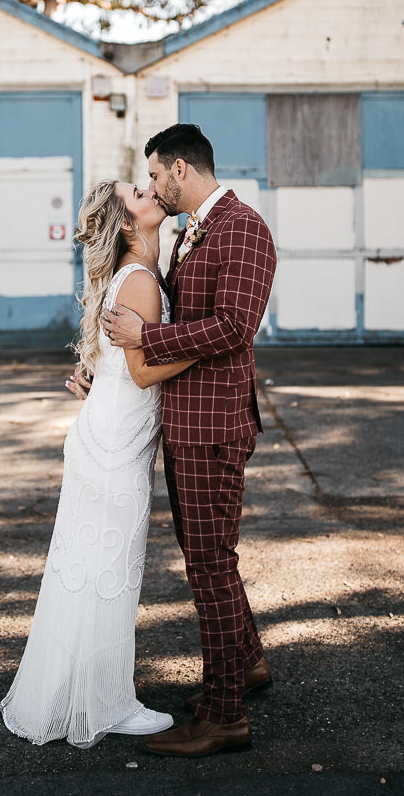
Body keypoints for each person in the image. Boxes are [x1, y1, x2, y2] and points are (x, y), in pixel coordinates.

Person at [101, 123, 277, 758]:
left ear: (179, 169)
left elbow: (233, 327)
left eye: (154, 175)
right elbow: (182, 310)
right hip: (185, 423)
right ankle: (246, 663)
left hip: (212, 427)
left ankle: (225, 714)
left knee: (209, 565)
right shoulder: (192, 231)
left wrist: (143, 341)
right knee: (207, 558)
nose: (152, 186)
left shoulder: (243, 228)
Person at [1, 179, 196, 749]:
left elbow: (117, 365)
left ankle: (79, 693)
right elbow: (141, 372)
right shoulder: (138, 280)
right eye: (139, 191)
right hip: (114, 444)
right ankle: (109, 705)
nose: (152, 191)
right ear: (126, 218)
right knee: (110, 574)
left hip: (107, 431)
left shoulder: (131, 275)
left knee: (89, 572)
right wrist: (204, 347)